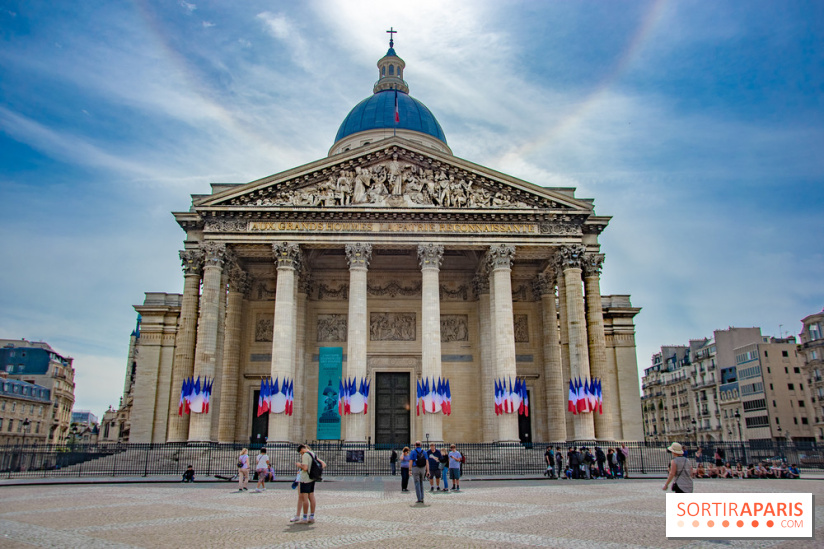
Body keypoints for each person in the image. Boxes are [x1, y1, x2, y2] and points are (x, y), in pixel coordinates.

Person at [291, 444, 326, 524]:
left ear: (301, 450)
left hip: (305, 479)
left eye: (300, 453)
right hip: (312, 478)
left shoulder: (305, 455)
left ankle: (304, 518)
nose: (301, 454)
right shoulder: (313, 454)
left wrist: (299, 465)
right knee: (312, 497)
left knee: (305, 498)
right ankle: (312, 517)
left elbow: (305, 468)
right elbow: (323, 464)